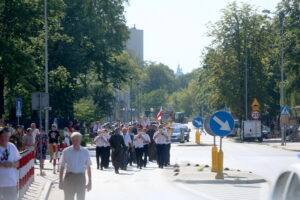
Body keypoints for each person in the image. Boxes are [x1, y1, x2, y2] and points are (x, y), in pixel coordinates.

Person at [59, 132, 92, 200]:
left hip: (81, 178)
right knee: (68, 198)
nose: (75, 142)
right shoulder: (66, 151)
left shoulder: (85, 151)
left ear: (80, 140)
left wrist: (90, 182)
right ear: (71, 140)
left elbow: (88, 167)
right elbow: (62, 167)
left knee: (81, 198)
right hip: (69, 177)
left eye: (77, 140)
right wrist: (60, 181)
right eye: (73, 140)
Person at [0, 127, 20, 200]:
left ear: (9, 137)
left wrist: (12, 164)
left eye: (6, 136)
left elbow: (18, 163)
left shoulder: (12, 146)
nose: (4, 138)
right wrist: (2, 165)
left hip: (11, 183)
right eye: (2, 136)